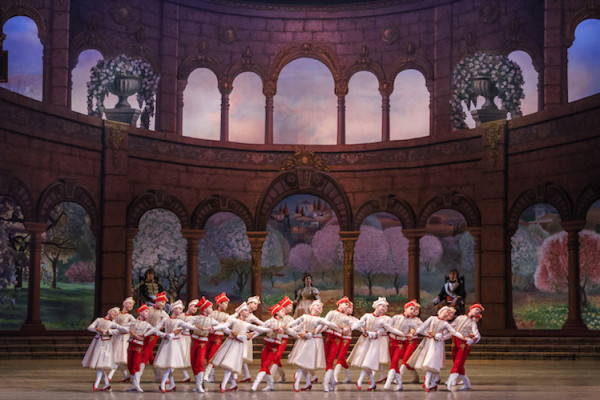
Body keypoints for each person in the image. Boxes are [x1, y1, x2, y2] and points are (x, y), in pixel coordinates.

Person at [211, 302, 274, 393]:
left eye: (248, 311)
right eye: (245, 310)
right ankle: (231, 384)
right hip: (230, 343)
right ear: (240, 312)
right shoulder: (234, 320)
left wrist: (272, 329)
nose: (247, 312)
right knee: (228, 364)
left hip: (238, 345)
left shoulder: (247, 324)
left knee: (229, 365)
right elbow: (224, 326)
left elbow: (260, 329)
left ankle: (224, 385)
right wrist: (214, 328)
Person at [407, 306, 466, 392]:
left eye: (448, 312)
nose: (446, 313)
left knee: (430, 362)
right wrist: (414, 334)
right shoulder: (432, 318)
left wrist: (464, 338)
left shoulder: (445, 324)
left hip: (437, 344)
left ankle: (427, 383)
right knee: (426, 362)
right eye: (445, 311)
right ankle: (433, 384)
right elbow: (422, 327)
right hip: (428, 342)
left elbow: (453, 332)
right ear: (440, 311)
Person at [286, 299, 339, 392]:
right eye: (316, 305)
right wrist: (296, 332)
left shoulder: (320, 319)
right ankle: (306, 382)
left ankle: (298, 383)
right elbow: (290, 325)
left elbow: (329, 324)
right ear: (311, 307)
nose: (318, 307)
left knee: (303, 362)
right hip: (303, 340)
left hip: (312, 342)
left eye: (320, 306)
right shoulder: (304, 316)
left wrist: (342, 326)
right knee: (302, 362)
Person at [150, 299, 196, 393]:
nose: (180, 311)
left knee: (170, 365)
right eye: (179, 309)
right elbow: (155, 330)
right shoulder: (165, 319)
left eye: (181, 309)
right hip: (166, 343)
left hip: (175, 344)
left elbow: (190, 327)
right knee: (168, 364)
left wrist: (205, 328)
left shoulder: (180, 321)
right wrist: (164, 335)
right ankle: (172, 384)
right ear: (174, 309)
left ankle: (163, 383)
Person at [347, 297, 389, 391]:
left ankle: (360, 380)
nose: (384, 308)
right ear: (377, 306)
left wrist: (377, 333)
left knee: (367, 363)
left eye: (385, 307)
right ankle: (372, 383)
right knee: (366, 363)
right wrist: (351, 329)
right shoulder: (367, 316)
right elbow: (359, 324)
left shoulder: (385, 319)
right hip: (365, 340)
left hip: (375, 341)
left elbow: (384, 329)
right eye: (382, 306)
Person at [380, 299, 423, 391]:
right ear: (405, 309)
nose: (413, 311)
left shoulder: (413, 321)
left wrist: (414, 333)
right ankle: (399, 384)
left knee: (397, 361)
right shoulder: (396, 317)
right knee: (394, 363)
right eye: (411, 309)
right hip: (392, 341)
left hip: (402, 343)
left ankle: (388, 383)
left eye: (415, 309)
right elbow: (389, 327)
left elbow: (421, 329)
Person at [251, 304, 289, 391]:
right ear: (277, 312)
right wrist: (250, 337)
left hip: (275, 347)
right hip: (266, 345)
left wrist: (300, 333)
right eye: (282, 311)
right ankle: (271, 384)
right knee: (264, 365)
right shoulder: (269, 322)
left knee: (265, 365)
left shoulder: (283, 324)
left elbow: (292, 331)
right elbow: (260, 330)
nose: (284, 313)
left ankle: (255, 384)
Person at [82, 306, 121, 391]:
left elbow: (120, 330)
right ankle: (106, 384)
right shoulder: (99, 320)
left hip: (106, 344)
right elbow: (90, 327)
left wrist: (108, 331)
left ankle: (97, 383)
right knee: (100, 364)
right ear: (109, 311)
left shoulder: (112, 324)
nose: (115, 315)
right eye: (114, 312)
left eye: (116, 314)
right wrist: (97, 330)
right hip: (97, 342)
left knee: (101, 363)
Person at [447, 303, 483, 391]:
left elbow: (477, 336)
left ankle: (451, 381)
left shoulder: (473, 323)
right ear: (471, 309)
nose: (478, 312)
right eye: (477, 309)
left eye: (479, 311)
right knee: (457, 362)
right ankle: (467, 384)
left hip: (464, 343)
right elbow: (451, 327)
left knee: (458, 362)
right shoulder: (460, 317)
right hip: (455, 341)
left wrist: (472, 340)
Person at [187, 296, 221, 393]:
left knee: (200, 362)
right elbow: (188, 325)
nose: (211, 309)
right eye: (210, 307)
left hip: (203, 342)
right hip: (194, 341)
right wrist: (199, 328)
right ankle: (198, 384)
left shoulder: (211, 320)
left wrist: (214, 329)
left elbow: (221, 326)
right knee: (193, 363)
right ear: (204, 309)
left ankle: (199, 385)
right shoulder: (196, 318)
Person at [322, 296, 353, 392]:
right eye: (345, 304)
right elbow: (324, 322)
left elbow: (354, 324)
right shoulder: (332, 313)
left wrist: (349, 328)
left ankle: (326, 382)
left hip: (337, 339)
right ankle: (332, 380)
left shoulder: (346, 317)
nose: (347, 306)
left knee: (331, 360)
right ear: (339, 304)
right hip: (327, 337)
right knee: (326, 360)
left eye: (348, 305)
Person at [124, 304, 153, 393]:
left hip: (138, 347)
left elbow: (154, 330)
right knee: (130, 365)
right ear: (140, 312)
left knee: (136, 364)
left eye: (148, 312)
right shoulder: (133, 322)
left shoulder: (147, 325)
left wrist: (144, 335)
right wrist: (133, 334)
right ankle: (134, 384)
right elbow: (123, 328)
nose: (148, 314)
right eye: (146, 311)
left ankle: (137, 384)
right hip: (131, 345)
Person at [141, 291, 169, 382]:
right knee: (150, 355)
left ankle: (138, 374)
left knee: (146, 352)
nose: (162, 304)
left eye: (163, 303)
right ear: (156, 301)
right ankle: (158, 375)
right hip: (144, 332)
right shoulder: (148, 309)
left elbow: (167, 323)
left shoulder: (163, 314)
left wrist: (160, 328)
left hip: (154, 334)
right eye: (160, 301)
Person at [108, 297, 136, 383]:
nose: (131, 305)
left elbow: (135, 325)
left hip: (124, 338)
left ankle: (109, 376)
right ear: (124, 303)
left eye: (132, 304)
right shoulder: (117, 314)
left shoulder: (130, 317)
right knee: (116, 357)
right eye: (129, 303)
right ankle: (126, 375)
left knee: (117, 357)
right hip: (116, 337)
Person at [204, 292, 231, 383]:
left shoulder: (227, 316)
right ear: (219, 303)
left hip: (217, 338)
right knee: (208, 356)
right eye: (225, 303)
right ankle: (212, 376)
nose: (226, 305)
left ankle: (207, 375)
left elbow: (225, 326)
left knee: (212, 356)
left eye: (227, 303)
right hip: (209, 335)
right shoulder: (212, 313)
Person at [333, 300, 358, 385]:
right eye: (349, 307)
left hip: (346, 338)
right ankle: (348, 375)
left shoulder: (352, 319)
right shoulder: (339, 316)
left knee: (341, 357)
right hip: (337, 337)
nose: (350, 309)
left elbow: (359, 325)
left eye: (351, 308)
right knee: (341, 357)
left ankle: (335, 375)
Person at [270, 296, 294, 382]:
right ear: (284, 306)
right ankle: (282, 375)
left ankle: (271, 376)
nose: (291, 307)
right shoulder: (277, 316)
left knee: (277, 356)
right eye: (289, 306)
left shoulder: (290, 318)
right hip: (275, 338)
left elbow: (293, 328)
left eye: (291, 306)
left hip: (283, 339)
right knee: (274, 357)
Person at [178, 298, 199, 383]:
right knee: (178, 355)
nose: (195, 309)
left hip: (186, 337)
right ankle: (186, 375)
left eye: (197, 308)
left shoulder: (193, 318)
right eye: (194, 306)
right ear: (189, 306)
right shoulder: (181, 315)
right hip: (178, 336)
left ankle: (188, 375)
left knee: (182, 355)